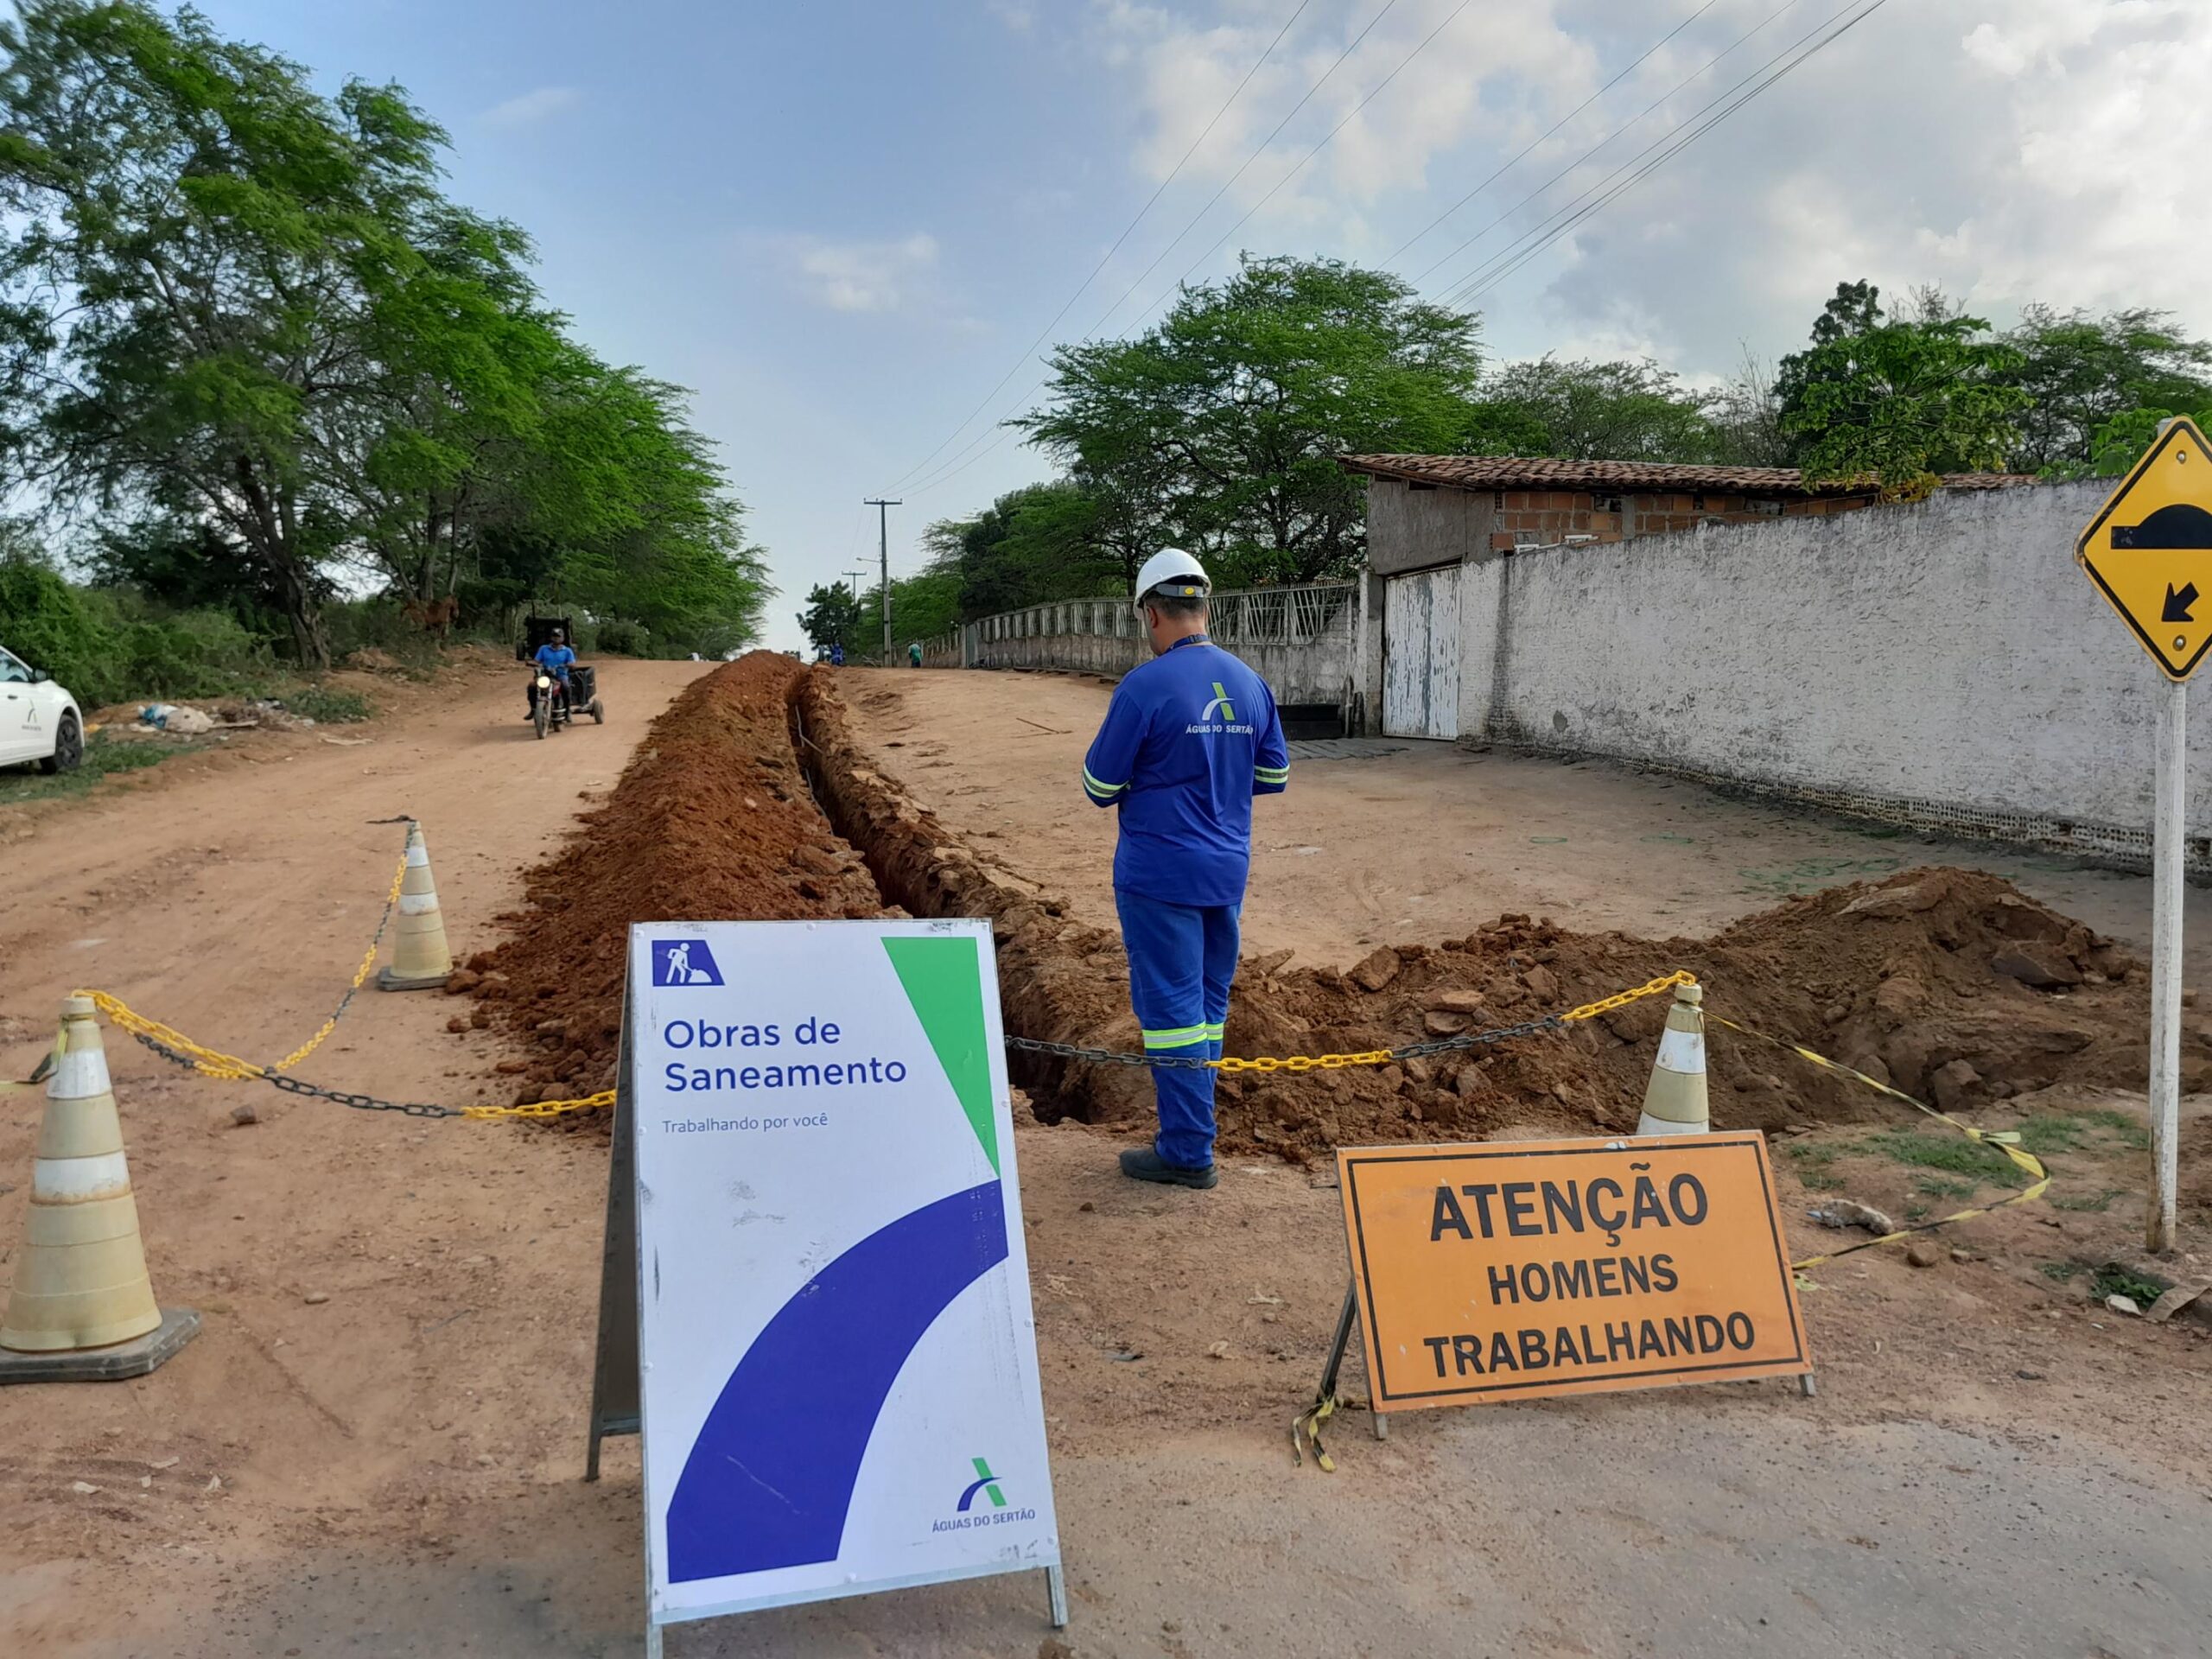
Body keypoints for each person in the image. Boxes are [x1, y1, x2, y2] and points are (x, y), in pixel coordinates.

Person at [1082, 549, 1288, 1188]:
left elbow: (1098, 782)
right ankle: (1192, 1133)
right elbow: (1274, 773)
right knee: (1206, 1006)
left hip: (1158, 874)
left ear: (1150, 613)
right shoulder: (1250, 681)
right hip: (1225, 871)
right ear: (1204, 605)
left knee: (1171, 1011)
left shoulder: (1144, 687)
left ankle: (1188, 1150)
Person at [530, 626, 576, 717]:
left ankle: (567, 711)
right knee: (532, 687)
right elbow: (537, 661)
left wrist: (569, 665)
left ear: (562, 638)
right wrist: (531, 663)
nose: (556, 638)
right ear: (551, 637)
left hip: (561, 675)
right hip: (545, 675)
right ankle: (533, 710)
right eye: (554, 636)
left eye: (558, 636)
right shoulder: (543, 648)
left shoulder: (567, 651)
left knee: (566, 687)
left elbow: (572, 663)